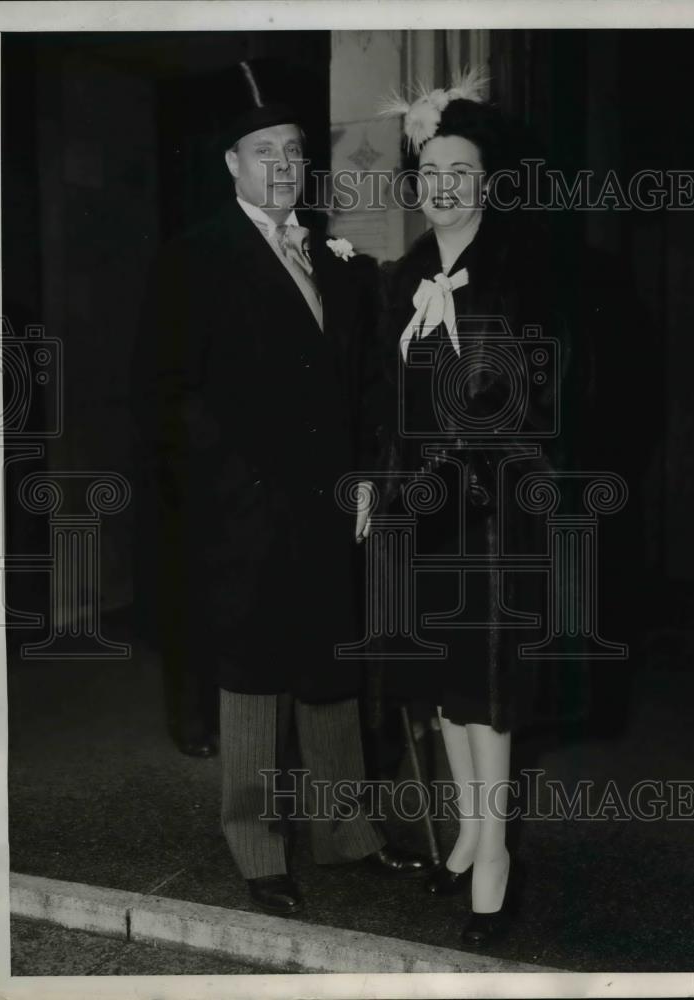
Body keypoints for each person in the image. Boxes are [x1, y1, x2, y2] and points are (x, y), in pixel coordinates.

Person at [134, 58, 429, 916]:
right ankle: (259, 851)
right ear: (233, 164)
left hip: (332, 505)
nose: (284, 167)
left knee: (331, 670)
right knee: (256, 678)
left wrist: (372, 475)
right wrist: (239, 481)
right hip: (244, 512)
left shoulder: (337, 261)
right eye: (265, 152)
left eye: (295, 152)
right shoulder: (194, 258)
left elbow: (369, 382)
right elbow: (167, 395)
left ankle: (347, 836)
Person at [364, 73, 584, 946]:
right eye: (431, 169)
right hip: (424, 511)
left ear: (484, 180)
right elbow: (388, 400)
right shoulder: (410, 271)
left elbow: (547, 390)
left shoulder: (523, 266)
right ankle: (466, 830)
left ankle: (495, 854)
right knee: (444, 694)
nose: (444, 183)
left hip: (494, 513)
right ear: (416, 182)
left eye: (460, 169)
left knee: (487, 695)